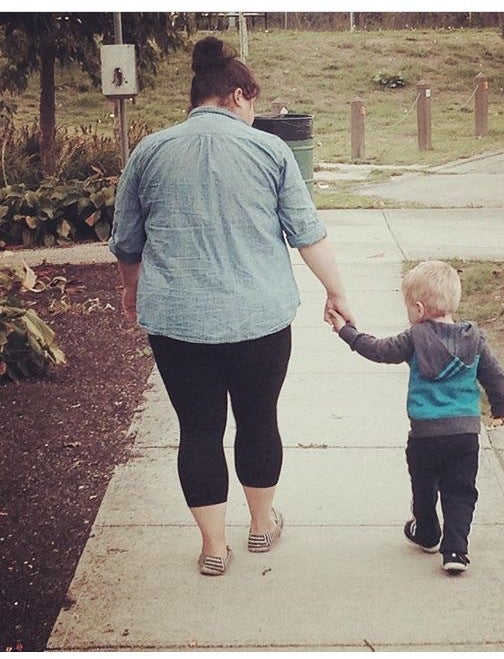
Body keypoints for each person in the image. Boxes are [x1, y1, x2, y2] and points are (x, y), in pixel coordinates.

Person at [109, 36, 354, 576]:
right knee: (258, 419)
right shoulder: (271, 151)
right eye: (254, 103)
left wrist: (132, 290)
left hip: (177, 323)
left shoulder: (149, 151)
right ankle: (262, 528)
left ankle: (213, 547)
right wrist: (335, 291)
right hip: (259, 320)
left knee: (197, 429)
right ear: (239, 95)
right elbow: (306, 234)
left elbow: (127, 241)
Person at [327, 260, 504, 574]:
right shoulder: (475, 339)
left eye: (408, 307)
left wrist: (346, 331)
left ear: (420, 308)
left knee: (424, 487)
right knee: (461, 491)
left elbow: (379, 350)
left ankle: (426, 533)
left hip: (425, 435)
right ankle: (456, 552)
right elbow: (495, 377)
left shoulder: (415, 337)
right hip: (465, 435)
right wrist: (499, 409)